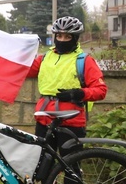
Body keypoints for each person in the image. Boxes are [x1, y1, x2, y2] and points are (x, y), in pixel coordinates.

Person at [27, 15, 107, 156]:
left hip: (71, 120)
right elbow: (22, 69)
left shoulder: (84, 61)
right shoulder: (45, 58)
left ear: (75, 38)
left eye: (67, 37)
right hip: (44, 118)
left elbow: (101, 90)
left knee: (71, 165)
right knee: (41, 164)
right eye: (59, 36)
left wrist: (78, 93)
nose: (62, 40)